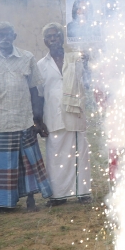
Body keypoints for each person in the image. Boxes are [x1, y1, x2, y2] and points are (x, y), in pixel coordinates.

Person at [0, 22, 52, 212]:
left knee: (27, 163)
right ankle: (6, 204)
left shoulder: (27, 57)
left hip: (24, 119)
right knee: (5, 166)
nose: (4, 39)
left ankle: (31, 200)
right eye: (0, 36)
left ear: (14, 36)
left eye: (8, 35)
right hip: (0, 121)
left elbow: (35, 92)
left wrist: (38, 120)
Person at [37, 22, 92, 206]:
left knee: (79, 153)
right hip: (52, 116)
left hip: (74, 113)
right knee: (55, 156)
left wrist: (88, 62)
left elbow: (87, 81)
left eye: (57, 36)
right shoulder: (41, 65)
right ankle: (58, 196)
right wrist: (38, 121)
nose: (53, 39)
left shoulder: (75, 58)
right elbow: (38, 94)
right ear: (45, 41)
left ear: (62, 38)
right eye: (50, 37)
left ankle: (82, 193)